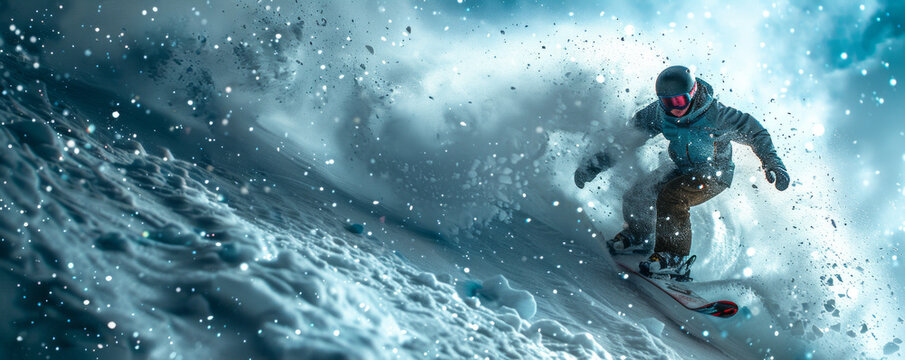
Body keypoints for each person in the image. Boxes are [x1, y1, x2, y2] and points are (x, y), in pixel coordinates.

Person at [574, 65, 790, 280]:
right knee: (638, 193)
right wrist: (596, 164)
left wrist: (772, 162)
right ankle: (639, 237)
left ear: (693, 92)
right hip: (682, 168)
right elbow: (628, 137)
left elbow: (755, 131)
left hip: (713, 174)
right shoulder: (659, 113)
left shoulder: (716, 115)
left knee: (673, 196)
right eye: (668, 102)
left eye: (679, 101)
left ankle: (673, 257)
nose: (674, 108)